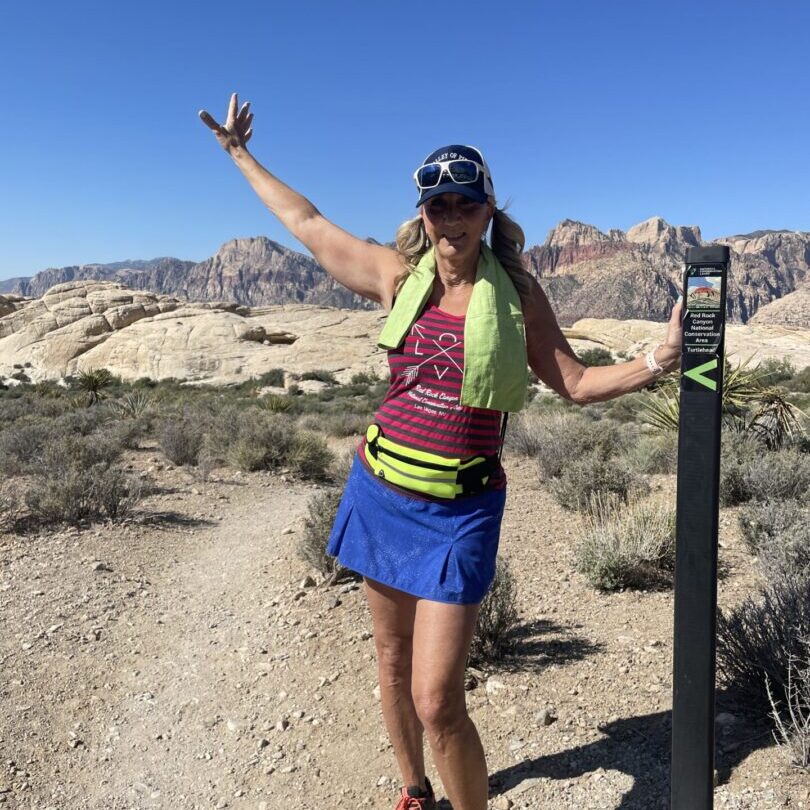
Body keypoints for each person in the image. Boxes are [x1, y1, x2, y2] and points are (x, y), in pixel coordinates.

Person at [199, 93, 683, 810]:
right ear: (422, 214)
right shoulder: (399, 278)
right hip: (381, 490)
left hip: (461, 510)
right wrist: (239, 153)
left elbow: (575, 383)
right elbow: (306, 224)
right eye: (437, 205)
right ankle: (413, 789)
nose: (450, 217)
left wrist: (658, 359)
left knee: (437, 701)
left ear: (488, 210)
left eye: (463, 202)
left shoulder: (518, 294)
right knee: (391, 663)